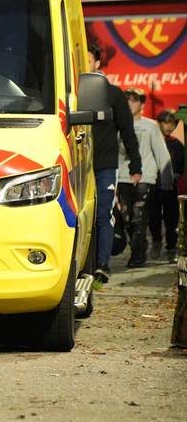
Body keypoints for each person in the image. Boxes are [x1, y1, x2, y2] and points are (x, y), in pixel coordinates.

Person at [87, 44, 141, 285]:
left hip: (105, 166)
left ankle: (102, 265)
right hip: (77, 166)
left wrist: (135, 165)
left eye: (88, 60)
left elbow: (128, 132)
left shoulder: (114, 94)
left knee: (102, 214)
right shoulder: (70, 93)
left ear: (97, 63)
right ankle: (83, 266)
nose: (84, 64)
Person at [117, 87, 171, 269]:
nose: (130, 104)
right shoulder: (119, 125)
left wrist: (167, 180)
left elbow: (161, 153)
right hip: (123, 177)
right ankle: (138, 248)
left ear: (142, 103)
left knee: (139, 217)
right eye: (127, 100)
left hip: (145, 178)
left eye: (134, 100)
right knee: (127, 218)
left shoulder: (151, 126)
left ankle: (138, 255)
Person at [148, 109, 184, 262]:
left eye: (172, 123)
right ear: (159, 123)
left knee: (172, 218)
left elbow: (180, 164)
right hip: (154, 184)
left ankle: (171, 248)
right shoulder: (152, 140)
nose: (169, 126)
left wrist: (174, 174)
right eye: (166, 123)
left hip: (170, 186)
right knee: (153, 216)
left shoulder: (176, 144)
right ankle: (156, 242)